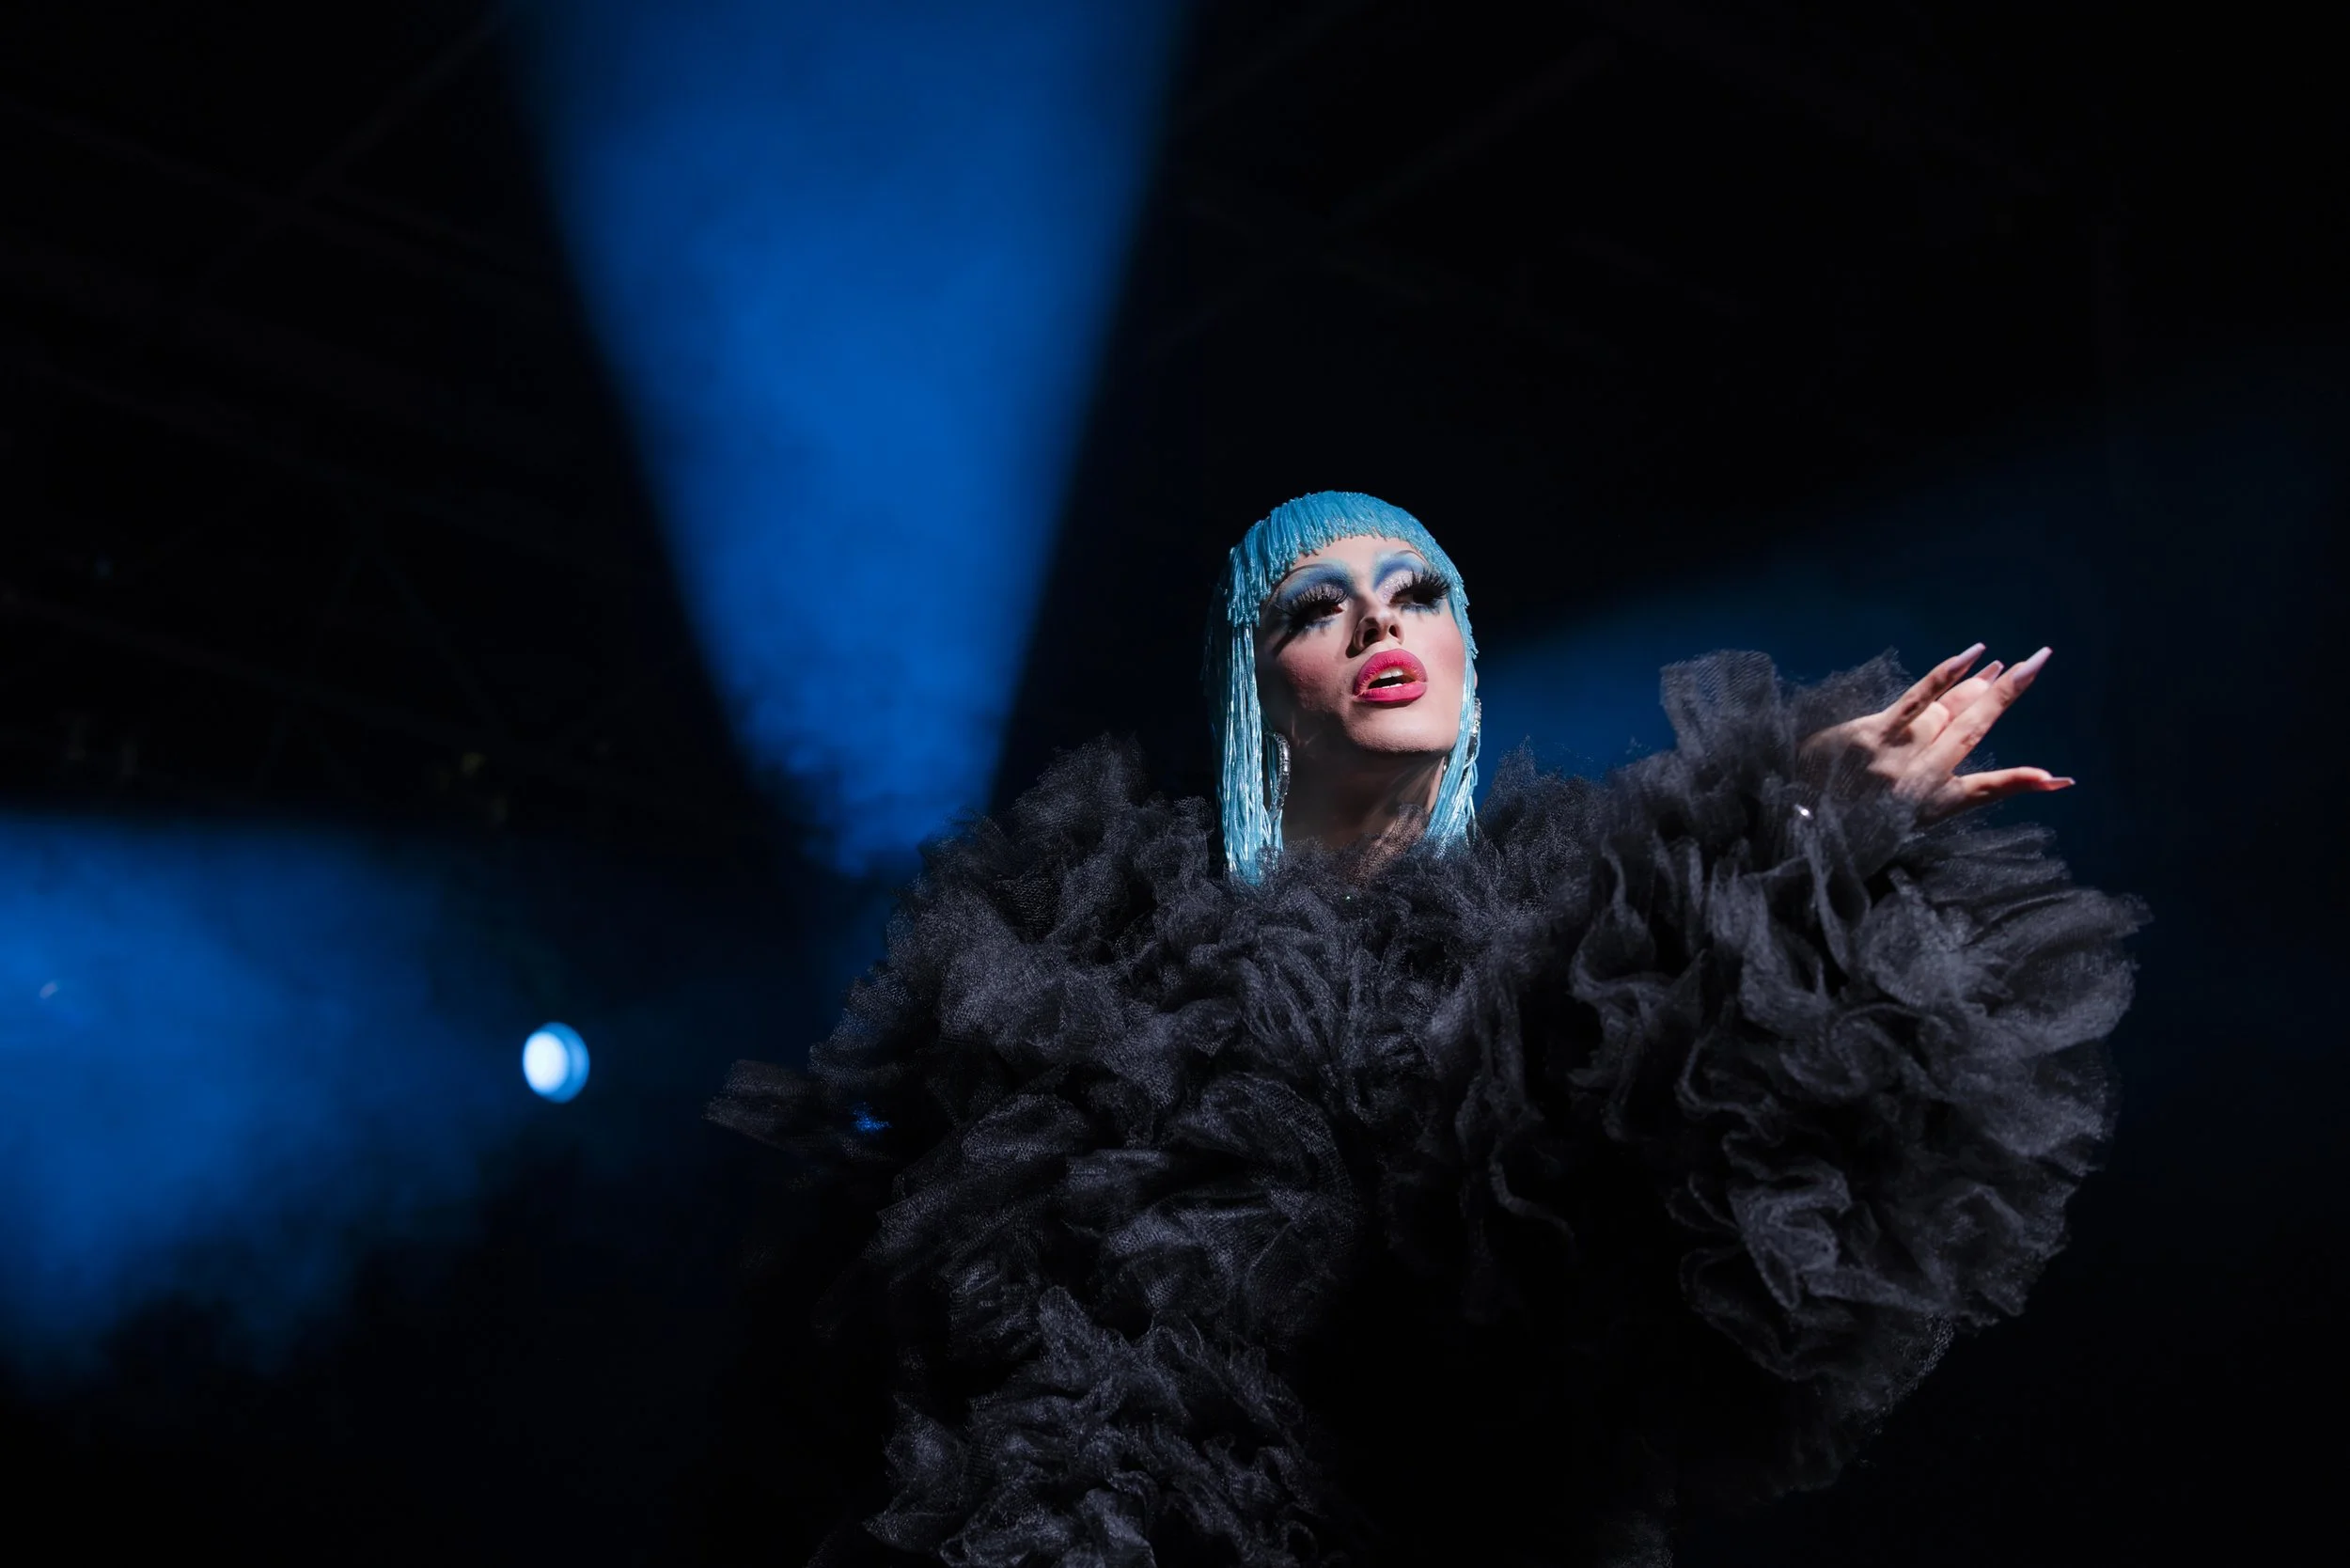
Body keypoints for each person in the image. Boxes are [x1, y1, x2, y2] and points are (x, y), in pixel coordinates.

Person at [713, 491, 2142, 1567]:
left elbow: (1648, 1204)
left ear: (1462, 647)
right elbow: (895, 1345)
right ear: (1254, 684)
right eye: (1314, 606)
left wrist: (1799, 834)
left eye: (1416, 592)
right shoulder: (1083, 958)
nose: (1376, 624)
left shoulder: (1573, 933)